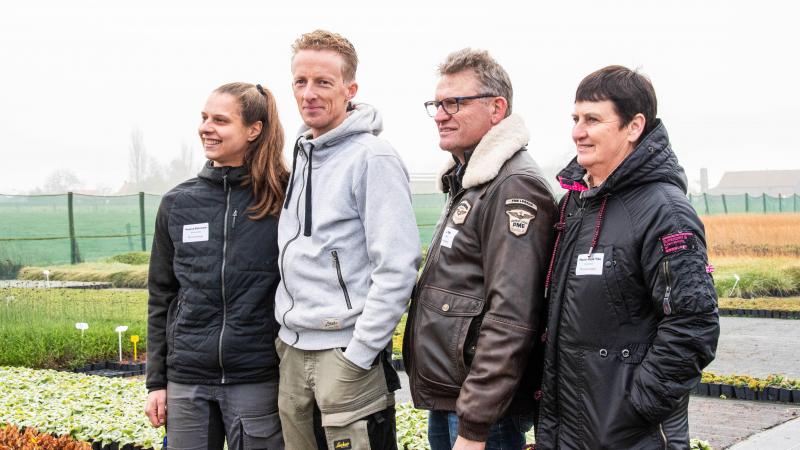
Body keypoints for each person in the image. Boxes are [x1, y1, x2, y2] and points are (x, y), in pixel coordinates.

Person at [536, 65, 721, 449]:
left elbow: (694, 322)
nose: (577, 132)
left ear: (634, 127)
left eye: (592, 119)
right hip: (567, 429)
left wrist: (637, 404)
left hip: (629, 434)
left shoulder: (664, 212)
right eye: (575, 119)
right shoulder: (574, 203)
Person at [402, 48, 557, 450]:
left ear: (496, 108)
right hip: (456, 398)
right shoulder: (472, 179)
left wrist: (473, 425)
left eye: (454, 102)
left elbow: (512, 317)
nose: (440, 113)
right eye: (437, 104)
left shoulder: (512, 186)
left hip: (482, 414)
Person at [274, 30, 421, 450]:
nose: (309, 93)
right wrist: (286, 343)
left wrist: (358, 354)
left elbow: (397, 267)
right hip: (293, 351)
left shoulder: (373, 158)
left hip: (344, 351)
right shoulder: (302, 154)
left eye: (323, 82)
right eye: (300, 82)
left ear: (350, 89)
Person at [145, 82, 288, 449]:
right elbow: (162, 296)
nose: (206, 127)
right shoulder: (178, 203)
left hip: (256, 378)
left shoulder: (284, 199)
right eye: (204, 118)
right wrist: (156, 383)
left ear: (254, 130)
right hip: (187, 380)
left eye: (220, 120)